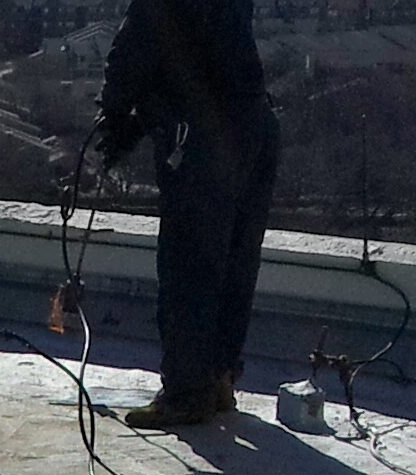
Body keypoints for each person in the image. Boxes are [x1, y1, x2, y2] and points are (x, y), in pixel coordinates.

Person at [97, 0, 279, 428]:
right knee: (235, 259)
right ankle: (217, 378)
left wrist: (117, 113)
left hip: (204, 136)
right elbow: (198, 49)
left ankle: (186, 393)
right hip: (253, 125)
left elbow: (138, 46)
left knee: (190, 265)